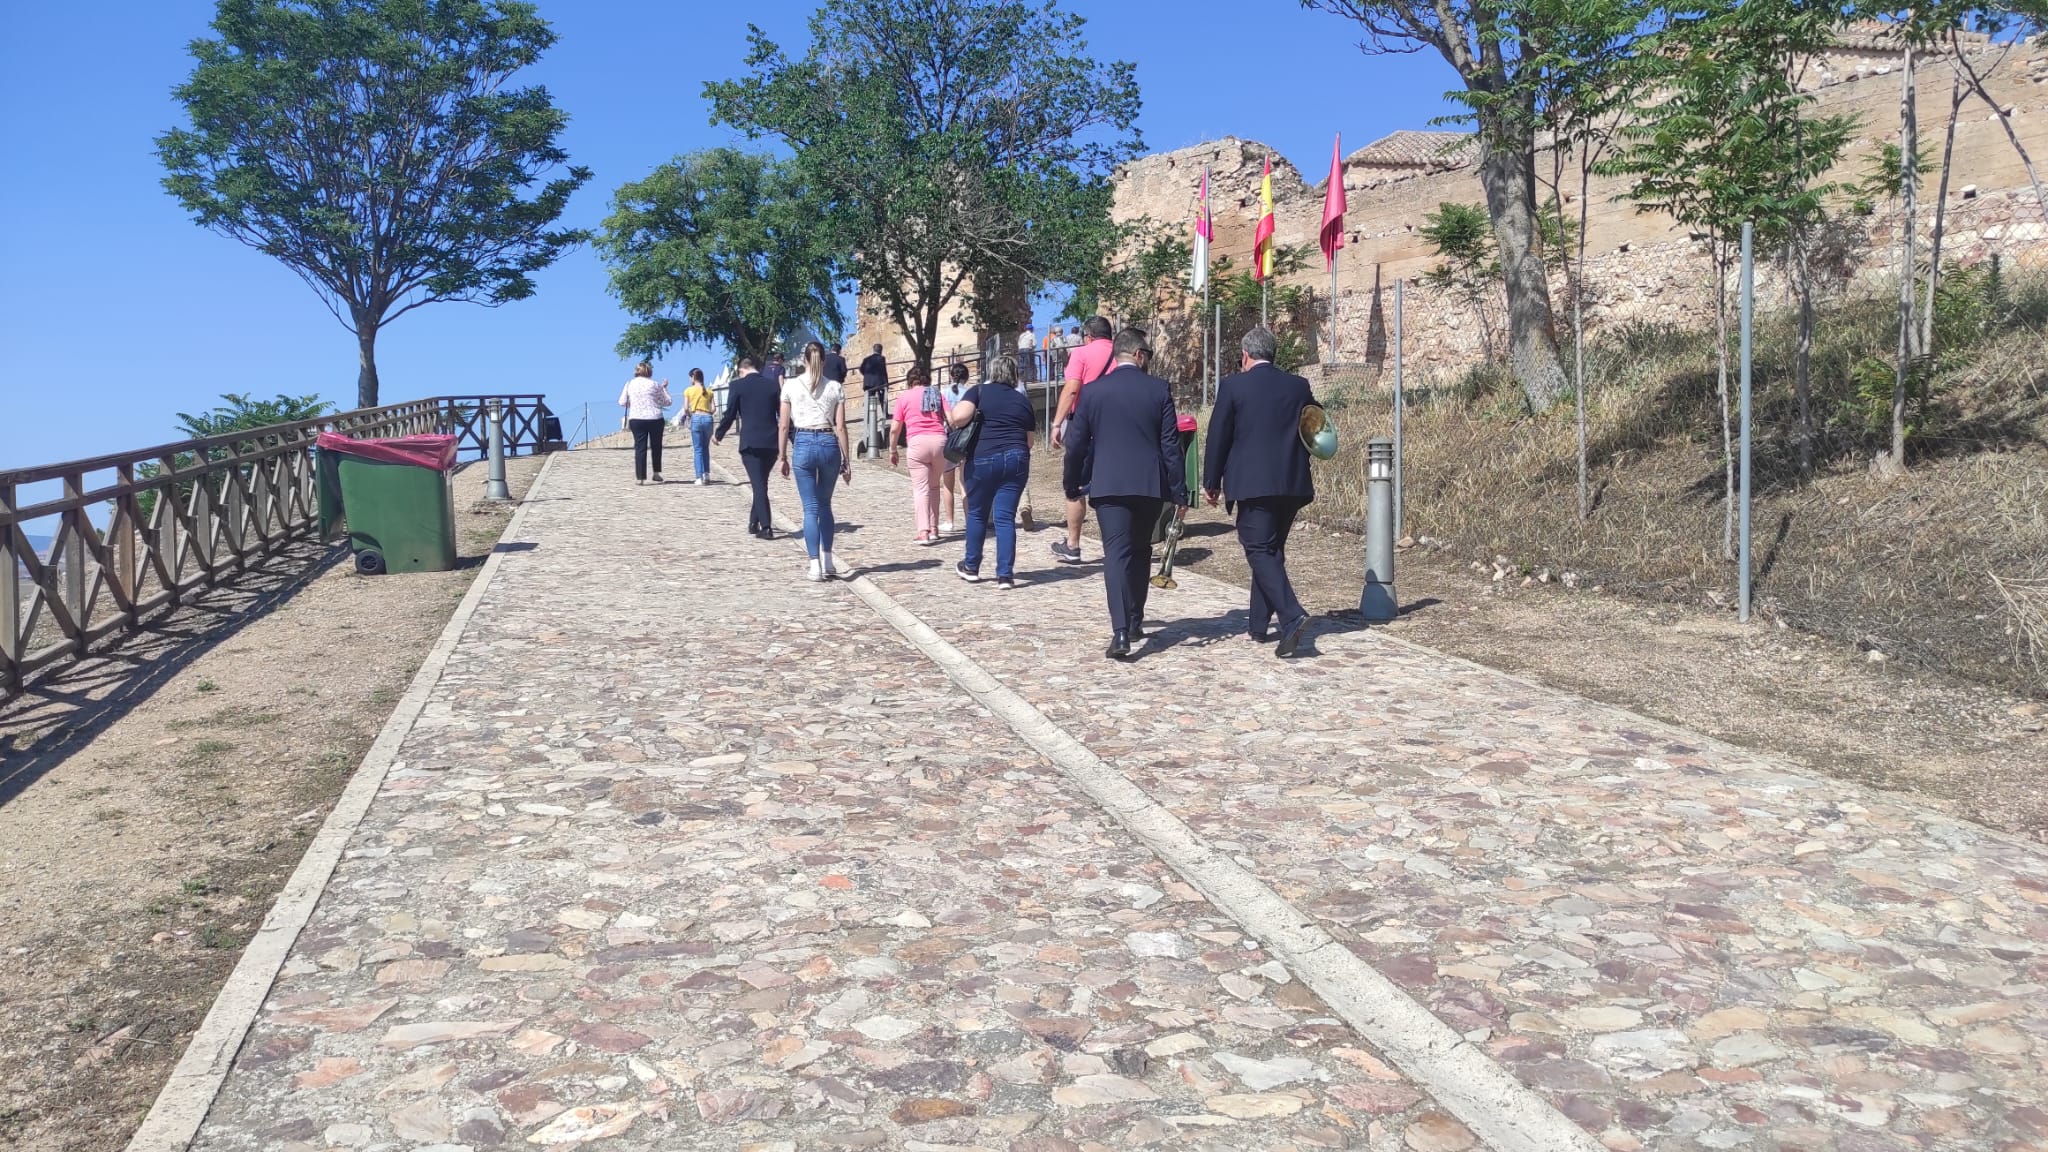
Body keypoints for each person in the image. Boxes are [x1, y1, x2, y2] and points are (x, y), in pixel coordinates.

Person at [1062, 329, 1186, 659]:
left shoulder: (1092, 392)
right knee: (1141, 550)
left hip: (1109, 483)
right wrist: (1179, 491)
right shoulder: (1158, 389)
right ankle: (1134, 618)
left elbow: (1075, 444)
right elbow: (1170, 446)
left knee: (1115, 553)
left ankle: (1120, 632)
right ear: (1139, 355)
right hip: (1149, 484)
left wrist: (1071, 484)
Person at [1204, 327, 1317, 657]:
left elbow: (1219, 435)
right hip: (1292, 484)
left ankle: (1292, 616)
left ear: (1245, 356)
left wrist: (1212, 481)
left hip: (1253, 484)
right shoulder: (1299, 386)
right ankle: (1257, 625)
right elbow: (1315, 423)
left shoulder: (1234, 386)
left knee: (1258, 549)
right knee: (1271, 550)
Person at [950, 354, 1035, 589]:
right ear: (1014, 375)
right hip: (1017, 459)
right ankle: (1005, 575)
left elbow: (959, 417)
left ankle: (971, 566)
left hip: (983, 458)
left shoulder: (979, 392)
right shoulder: (1022, 401)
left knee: (977, 513)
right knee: (1005, 517)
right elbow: (1030, 441)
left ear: (992, 372)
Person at [779, 341, 854, 581]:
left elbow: (783, 425)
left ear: (804, 360)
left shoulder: (790, 385)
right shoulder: (835, 387)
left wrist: (781, 456)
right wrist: (847, 459)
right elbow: (841, 426)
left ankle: (815, 565)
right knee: (825, 505)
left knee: (810, 508)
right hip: (828, 442)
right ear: (823, 361)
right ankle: (829, 559)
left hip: (803, 442)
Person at [1048, 316, 1116, 563]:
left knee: (1074, 486)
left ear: (1088, 336)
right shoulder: (1123, 354)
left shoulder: (1081, 354)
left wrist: (1057, 423)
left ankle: (1073, 545)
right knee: (1111, 488)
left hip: (1086, 425)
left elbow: (1072, 388)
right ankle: (1115, 546)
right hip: (1117, 426)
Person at [715, 356, 780, 539]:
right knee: (760, 484)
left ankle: (766, 527)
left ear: (741, 370)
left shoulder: (737, 386)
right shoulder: (773, 385)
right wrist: (791, 438)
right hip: (771, 443)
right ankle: (753, 522)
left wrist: (718, 434)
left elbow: (730, 414)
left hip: (750, 442)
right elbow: (782, 415)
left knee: (758, 485)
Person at [889, 364, 951, 544]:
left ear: (910, 381)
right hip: (940, 442)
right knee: (934, 487)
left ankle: (923, 532)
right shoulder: (937, 394)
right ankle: (934, 529)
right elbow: (951, 419)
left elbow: (894, 429)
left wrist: (893, 449)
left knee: (921, 488)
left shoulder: (904, 397)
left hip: (917, 443)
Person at [619, 361, 671, 485]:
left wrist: (634, 403)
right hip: (655, 417)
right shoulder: (655, 384)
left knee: (640, 447)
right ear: (649, 372)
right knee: (656, 446)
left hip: (636, 418)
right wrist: (664, 388)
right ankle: (656, 473)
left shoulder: (629, 384)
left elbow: (622, 402)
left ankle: (640, 477)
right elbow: (667, 401)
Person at [940, 363, 971, 534]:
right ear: (966, 377)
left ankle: (949, 521)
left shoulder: (944, 392)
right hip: (966, 439)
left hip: (948, 438)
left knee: (947, 483)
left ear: (951, 375)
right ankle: (969, 520)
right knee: (965, 483)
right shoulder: (970, 393)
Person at [681, 368, 717, 484]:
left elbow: (686, 408)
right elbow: (713, 409)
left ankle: (698, 477)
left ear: (692, 377)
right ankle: (706, 474)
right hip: (708, 418)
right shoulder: (709, 391)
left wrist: (689, 415)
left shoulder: (688, 391)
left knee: (698, 449)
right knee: (705, 448)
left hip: (696, 417)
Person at [860, 343, 890, 455]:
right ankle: (884, 412)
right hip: (879, 382)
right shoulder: (881, 359)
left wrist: (867, 376)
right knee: (882, 398)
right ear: (881, 350)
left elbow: (861, 369)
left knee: (869, 399)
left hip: (868, 382)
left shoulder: (867, 359)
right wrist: (886, 382)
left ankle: (867, 416)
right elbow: (884, 371)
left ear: (873, 349)